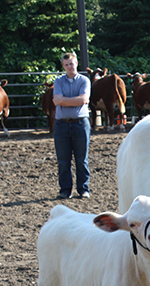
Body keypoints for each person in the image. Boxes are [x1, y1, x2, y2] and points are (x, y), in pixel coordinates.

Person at [52, 52, 91, 199]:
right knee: (63, 160)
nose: (69, 67)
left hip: (80, 123)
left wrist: (64, 100)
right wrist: (75, 101)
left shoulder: (84, 80)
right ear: (63, 66)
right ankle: (65, 190)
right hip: (62, 124)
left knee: (82, 159)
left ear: (76, 64)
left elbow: (84, 99)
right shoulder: (58, 81)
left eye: (71, 64)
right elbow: (56, 101)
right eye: (66, 64)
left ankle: (83, 189)